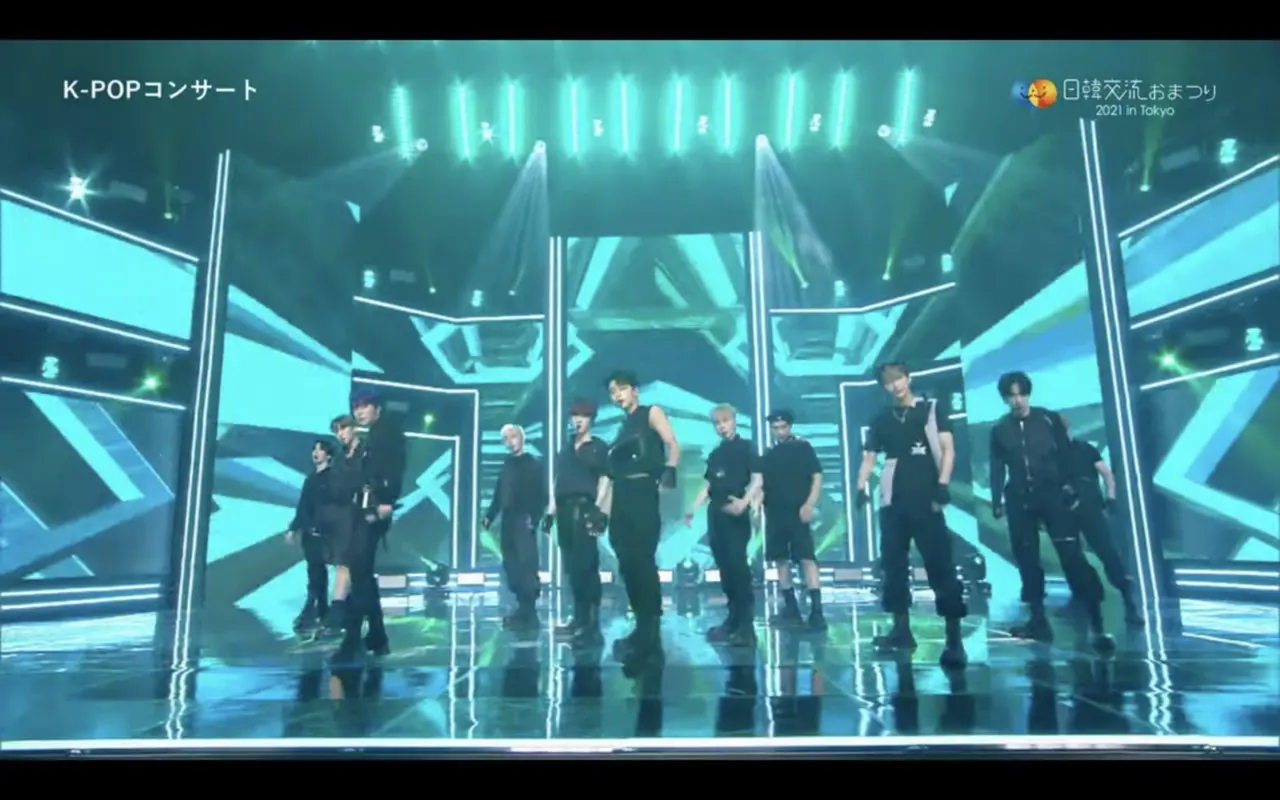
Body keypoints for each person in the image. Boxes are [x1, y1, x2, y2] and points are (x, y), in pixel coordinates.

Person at [990, 372, 1113, 654]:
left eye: (1021, 394)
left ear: (1028, 394)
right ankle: (1038, 621)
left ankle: (1097, 625)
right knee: (1027, 560)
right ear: (1005, 398)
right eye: (1012, 395)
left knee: (1072, 557)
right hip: (1019, 499)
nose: (1017, 400)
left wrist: (1072, 489)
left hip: (1053, 496)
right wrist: (997, 501)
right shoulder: (1000, 430)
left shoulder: (1048, 419)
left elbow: (1067, 456)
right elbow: (997, 467)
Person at [854, 362, 967, 669]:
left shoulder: (931, 409)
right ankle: (901, 630)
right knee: (893, 566)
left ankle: (954, 639)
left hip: (927, 498)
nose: (895, 385)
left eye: (899, 378)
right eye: (889, 382)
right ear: (884, 387)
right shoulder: (881, 419)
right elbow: (869, 456)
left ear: (908, 378)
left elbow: (948, 449)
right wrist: (860, 486)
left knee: (940, 564)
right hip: (893, 500)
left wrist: (942, 485)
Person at [604, 370, 680, 672]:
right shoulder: (622, 428)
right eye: (612, 392)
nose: (617, 395)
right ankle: (640, 630)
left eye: (621, 389)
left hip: (642, 492)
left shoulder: (651, 412)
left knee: (642, 563)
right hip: (622, 496)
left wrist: (670, 469)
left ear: (635, 390)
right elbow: (612, 476)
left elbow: (671, 443)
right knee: (627, 565)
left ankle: (651, 638)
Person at [333, 390, 406, 662]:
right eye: (356, 407)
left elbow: (395, 466)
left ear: (377, 408)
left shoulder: (387, 432)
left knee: (360, 570)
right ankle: (376, 635)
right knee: (360, 571)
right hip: (365, 508)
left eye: (364, 407)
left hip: (375, 508)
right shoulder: (373, 435)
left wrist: (387, 500)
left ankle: (355, 636)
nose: (359, 412)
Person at [684, 404, 762, 645]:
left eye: (725, 421)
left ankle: (746, 625)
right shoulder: (716, 454)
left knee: (738, 566)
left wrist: (744, 503)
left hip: (735, 508)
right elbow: (708, 484)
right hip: (715, 511)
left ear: (734, 420)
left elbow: (757, 479)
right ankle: (733, 619)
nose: (722, 426)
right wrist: (692, 508)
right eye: (717, 423)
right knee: (724, 566)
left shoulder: (747, 448)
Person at [1061, 415, 1142, 626]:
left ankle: (1128, 603)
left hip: (1087, 507)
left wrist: (1111, 497)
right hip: (1072, 508)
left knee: (1104, 553)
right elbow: (1106, 474)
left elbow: (1106, 474)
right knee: (1077, 556)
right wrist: (1111, 497)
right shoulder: (1062, 452)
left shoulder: (1083, 449)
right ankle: (1088, 600)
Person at [546, 400, 611, 645]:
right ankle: (579, 618)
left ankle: (591, 623)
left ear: (591, 419)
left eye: (583, 416)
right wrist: (551, 510)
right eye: (575, 416)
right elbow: (557, 480)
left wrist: (598, 508)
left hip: (585, 508)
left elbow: (605, 479)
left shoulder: (598, 447)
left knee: (586, 566)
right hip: (564, 509)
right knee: (572, 567)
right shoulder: (565, 449)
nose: (578, 420)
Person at [760, 409, 826, 631]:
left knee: (806, 557)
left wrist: (809, 504)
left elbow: (817, 477)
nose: (779, 431)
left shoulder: (803, 448)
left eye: (783, 427)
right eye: (775, 428)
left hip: (798, 510)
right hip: (774, 512)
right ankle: (791, 608)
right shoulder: (769, 454)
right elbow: (762, 484)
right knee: (780, 559)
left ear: (789, 427)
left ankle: (817, 611)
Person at [483, 423, 547, 631]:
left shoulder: (533, 464)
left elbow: (542, 495)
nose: (510, 442)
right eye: (506, 438)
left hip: (524, 519)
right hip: (508, 519)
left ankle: (529, 611)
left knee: (526, 565)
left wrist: (534, 519)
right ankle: (522, 608)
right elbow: (499, 493)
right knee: (511, 565)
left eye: (513, 436)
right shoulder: (507, 464)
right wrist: (490, 516)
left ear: (522, 438)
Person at [284, 439, 337, 633]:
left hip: (326, 533)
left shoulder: (334, 478)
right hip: (309, 533)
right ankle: (320, 611)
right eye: (314, 449)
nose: (316, 452)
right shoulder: (311, 479)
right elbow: (303, 506)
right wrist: (293, 528)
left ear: (328, 455)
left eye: (320, 449)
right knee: (315, 572)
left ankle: (314, 611)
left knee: (319, 572)